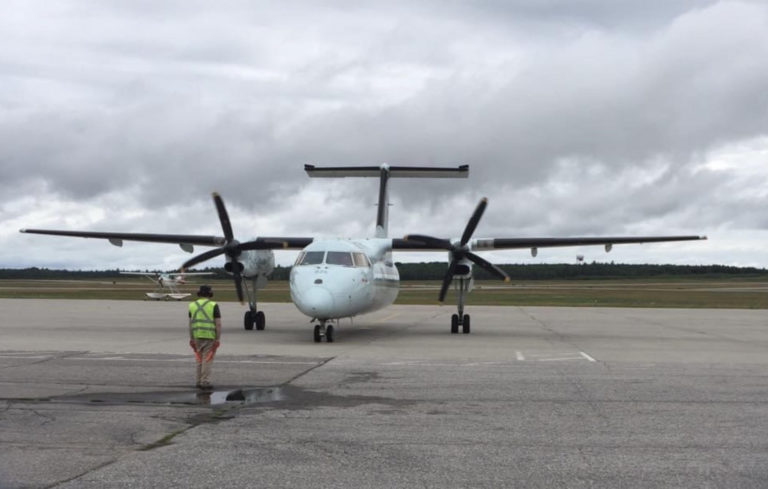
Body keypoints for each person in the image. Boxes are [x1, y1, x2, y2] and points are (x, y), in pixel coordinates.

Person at [188, 284, 221, 390]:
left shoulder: (192, 305)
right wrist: (217, 339)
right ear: (210, 294)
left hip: (197, 336)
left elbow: (190, 323)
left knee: (199, 359)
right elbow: (218, 324)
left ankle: (198, 381)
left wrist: (191, 338)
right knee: (207, 359)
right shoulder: (213, 305)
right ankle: (205, 381)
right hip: (209, 336)